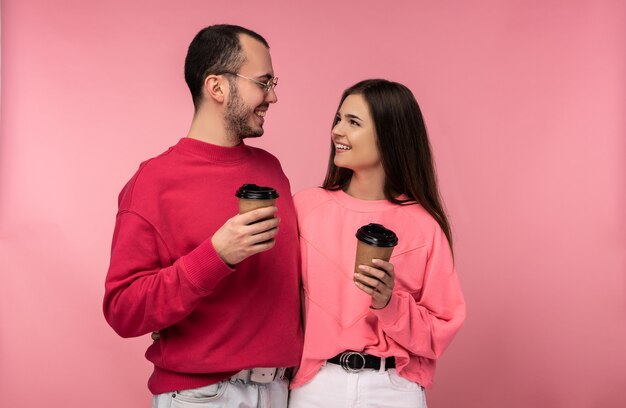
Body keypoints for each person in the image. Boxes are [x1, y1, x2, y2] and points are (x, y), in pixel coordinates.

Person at [103, 24, 303, 407]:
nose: (273, 96)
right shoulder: (155, 182)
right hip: (204, 396)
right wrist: (216, 255)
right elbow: (123, 310)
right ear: (217, 87)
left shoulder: (271, 169)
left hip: (282, 389)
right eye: (263, 82)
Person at [287, 79, 466, 408]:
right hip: (316, 386)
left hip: (394, 388)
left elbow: (442, 330)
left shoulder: (423, 226)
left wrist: (389, 303)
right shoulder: (306, 208)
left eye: (353, 123)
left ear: (389, 135)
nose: (337, 131)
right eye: (338, 119)